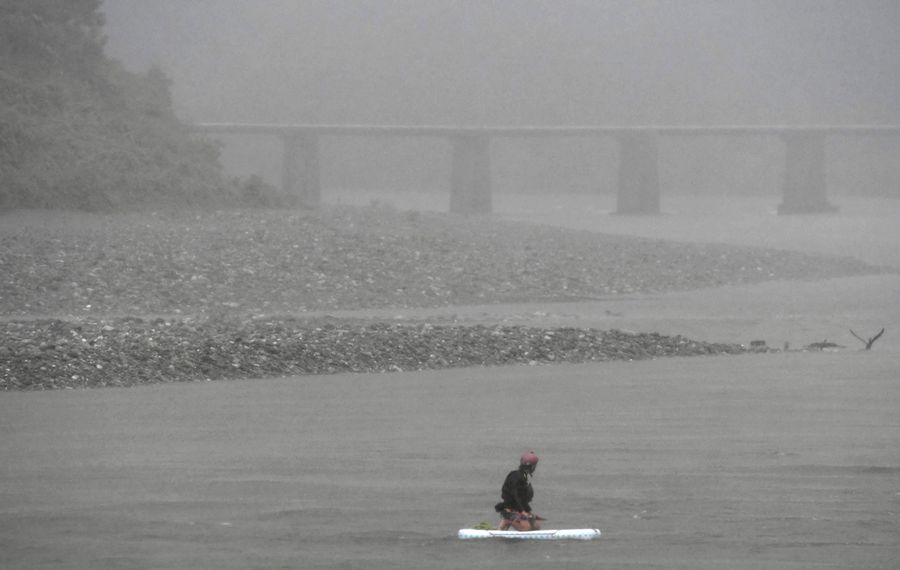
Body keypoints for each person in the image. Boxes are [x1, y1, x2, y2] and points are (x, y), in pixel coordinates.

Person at [494, 451, 543, 531]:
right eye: (534, 466)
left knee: (536, 527)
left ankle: (505, 524)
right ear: (530, 466)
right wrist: (523, 511)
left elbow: (522, 498)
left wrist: (527, 511)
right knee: (526, 528)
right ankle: (508, 519)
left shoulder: (523, 476)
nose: (535, 468)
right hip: (511, 508)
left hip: (517, 508)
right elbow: (517, 496)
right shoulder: (517, 477)